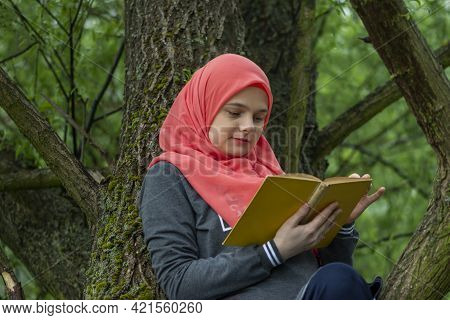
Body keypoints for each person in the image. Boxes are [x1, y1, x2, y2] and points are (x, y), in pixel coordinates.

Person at [138, 53, 385, 300]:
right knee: (338, 280)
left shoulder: (269, 171)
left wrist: (340, 224)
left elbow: (330, 268)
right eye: (235, 113)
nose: (249, 126)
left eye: (258, 118)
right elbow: (179, 283)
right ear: (205, 109)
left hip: (317, 295)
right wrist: (274, 251)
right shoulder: (168, 175)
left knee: (341, 278)